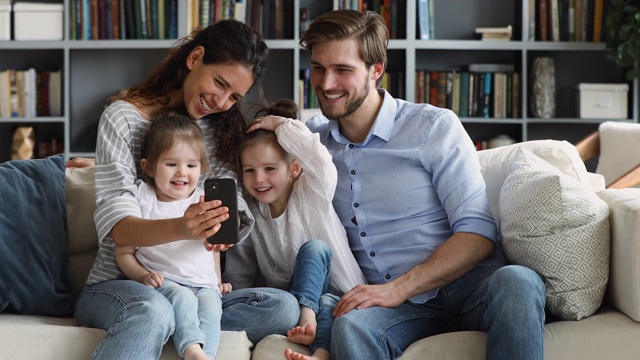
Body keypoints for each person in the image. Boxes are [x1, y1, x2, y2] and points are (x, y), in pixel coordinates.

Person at [298, 9, 546, 360]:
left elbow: (477, 234)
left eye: (342, 70)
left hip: (468, 286)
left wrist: (398, 288)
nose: (325, 84)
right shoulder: (310, 144)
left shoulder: (432, 128)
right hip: (395, 310)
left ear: (376, 70)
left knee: (519, 282)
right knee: (351, 326)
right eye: (318, 68)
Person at [74, 20, 300, 360]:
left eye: (234, 96)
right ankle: (172, 325)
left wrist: (224, 227)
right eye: (219, 83)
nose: (221, 101)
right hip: (124, 285)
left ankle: (186, 333)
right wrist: (183, 226)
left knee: (281, 307)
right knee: (153, 310)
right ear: (195, 58)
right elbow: (118, 226)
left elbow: (234, 208)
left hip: (196, 288)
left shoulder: (219, 129)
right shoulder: (122, 119)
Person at [231, 100, 366, 360]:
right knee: (318, 306)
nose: (259, 179)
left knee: (315, 250)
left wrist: (282, 125)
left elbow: (318, 158)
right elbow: (241, 272)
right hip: (293, 304)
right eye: (250, 171)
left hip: (341, 294)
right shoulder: (251, 211)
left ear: (294, 168)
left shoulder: (311, 190)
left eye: (270, 169)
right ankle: (316, 339)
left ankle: (312, 326)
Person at [115, 110, 230, 360]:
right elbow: (123, 251)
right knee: (182, 297)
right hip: (167, 281)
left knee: (212, 307)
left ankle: (206, 355)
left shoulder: (205, 199)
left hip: (204, 283)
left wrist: (217, 281)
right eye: (171, 164)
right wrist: (142, 275)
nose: (182, 172)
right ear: (148, 166)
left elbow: (213, 248)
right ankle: (190, 349)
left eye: (191, 165)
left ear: (201, 168)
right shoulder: (143, 197)